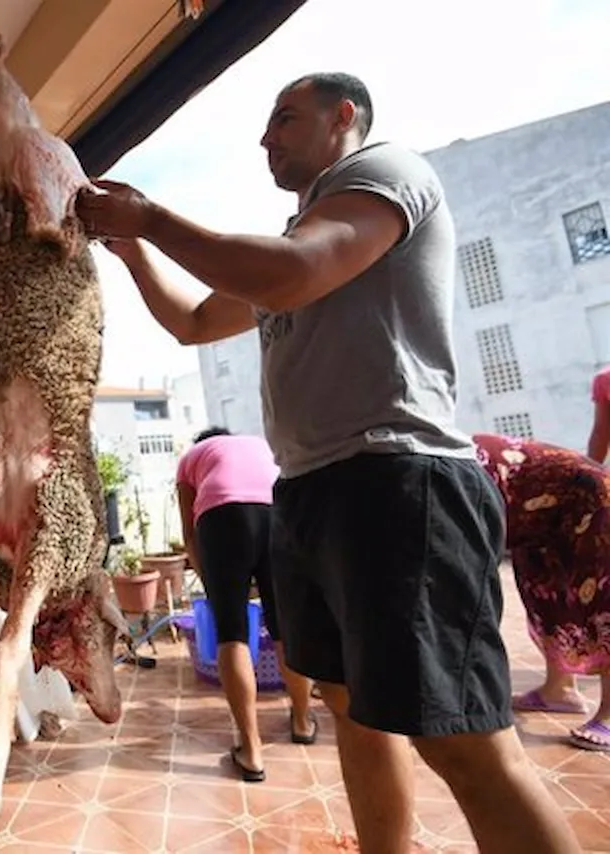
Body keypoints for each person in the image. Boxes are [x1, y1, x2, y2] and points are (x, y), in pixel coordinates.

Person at [77, 73, 579, 852]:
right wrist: (134, 249)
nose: (265, 138)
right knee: (349, 704)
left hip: (399, 483)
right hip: (311, 490)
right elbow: (194, 321)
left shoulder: (384, 176)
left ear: (345, 118)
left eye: (284, 118)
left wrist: (151, 215)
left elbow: (295, 271)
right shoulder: (299, 234)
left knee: (465, 742)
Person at [175, 426, 315, 782]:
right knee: (286, 627)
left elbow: (189, 534)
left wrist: (216, 589)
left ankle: (251, 751)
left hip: (220, 520)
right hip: (276, 512)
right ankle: (301, 720)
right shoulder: (259, 443)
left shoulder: (190, 459)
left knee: (232, 632)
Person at [473, 432, 610, 752]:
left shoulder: (427, 475)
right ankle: (559, 691)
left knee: (600, 606)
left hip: (589, 499)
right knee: (546, 597)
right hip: (538, 513)